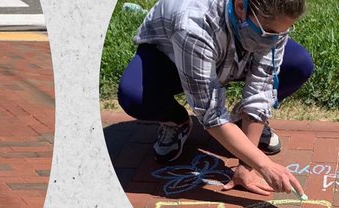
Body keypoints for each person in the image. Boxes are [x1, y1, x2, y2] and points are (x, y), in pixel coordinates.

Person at [117, 0, 314, 198]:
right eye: (268, 31)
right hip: (172, 57)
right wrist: (264, 165)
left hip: (229, 48)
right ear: (240, 6)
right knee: (135, 96)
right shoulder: (192, 24)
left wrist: (247, 166)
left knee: (298, 63)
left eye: (281, 33)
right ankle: (176, 120)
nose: (273, 40)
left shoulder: (272, 22)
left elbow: (261, 87)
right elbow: (211, 114)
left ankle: (241, 123)